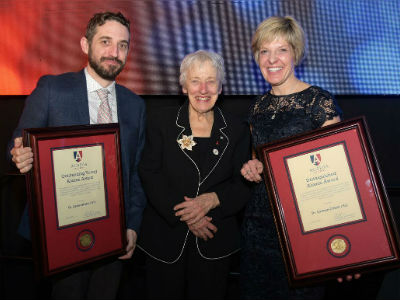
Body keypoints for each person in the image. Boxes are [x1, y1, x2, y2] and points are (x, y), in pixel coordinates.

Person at [8, 11, 146, 300]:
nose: (114, 52)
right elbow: (19, 141)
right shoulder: (52, 89)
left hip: (114, 235)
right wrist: (19, 154)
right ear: (85, 45)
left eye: (122, 45)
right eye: (105, 41)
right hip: (62, 233)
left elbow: (135, 171)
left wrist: (132, 225)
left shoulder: (135, 106)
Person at [239, 16, 344, 300]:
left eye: (281, 49)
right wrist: (252, 166)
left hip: (303, 231)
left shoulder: (318, 101)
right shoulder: (258, 107)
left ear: (295, 53)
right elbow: (257, 159)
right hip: (257, 228)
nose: (272, 59)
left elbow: (338, 176)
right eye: (264, 51)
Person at [137, 50, 251, 300]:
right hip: (165, 239)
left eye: (211, 81)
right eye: (195, 80)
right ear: (183, 86)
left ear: (220, 88)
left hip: (215, 238)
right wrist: (189, 215)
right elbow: (149, 172)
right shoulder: (161, 121)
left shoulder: (237, 128)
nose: (203, 89)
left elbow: (243, 183)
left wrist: (213, 199)